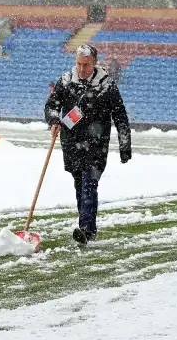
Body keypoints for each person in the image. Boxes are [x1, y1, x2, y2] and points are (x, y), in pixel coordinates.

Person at [45, 44, 132, 244]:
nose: (82, 69)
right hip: (71, 143)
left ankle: (84, 227)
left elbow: (120, 116)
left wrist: (124, 146)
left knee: (89, 184)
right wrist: (54, 120)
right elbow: (51, 105)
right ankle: (89, 229)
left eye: (87, 64)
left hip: (96, 145)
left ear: (95, 62)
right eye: (79, 64)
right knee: (79, 185)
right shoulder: (66, 81)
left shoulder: (106, 85)